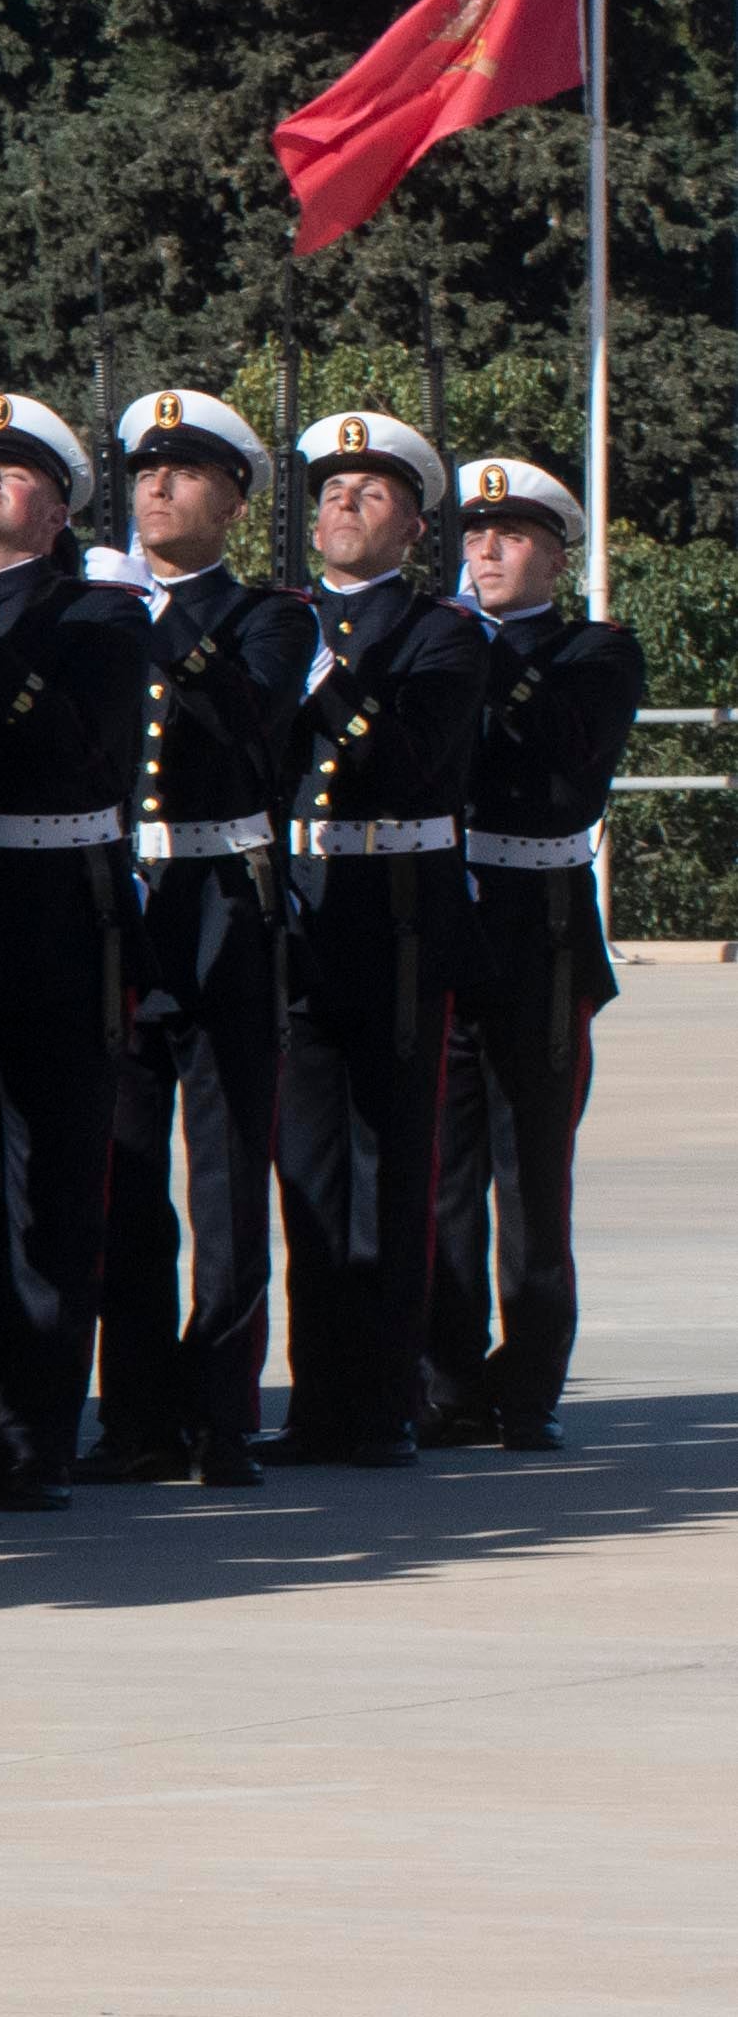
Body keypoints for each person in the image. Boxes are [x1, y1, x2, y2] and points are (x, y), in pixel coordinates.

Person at [0, 398, 145, 1510]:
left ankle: (37, 1433)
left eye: (12, 476)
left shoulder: (98, 617)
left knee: (49, 1195)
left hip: (58, 918)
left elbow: (73, 741)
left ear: (57, 514)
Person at [260, 411, 484, 1474]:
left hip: (396, 911)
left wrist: (321, 684)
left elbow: (410, 758)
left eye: (373, 494)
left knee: (390, 1169)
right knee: (304, 1172)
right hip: (304, 905)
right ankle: (318, 1398)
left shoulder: (444, 633)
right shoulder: (277, 621)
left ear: (413, 529)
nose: (345, 507)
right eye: (332, 492)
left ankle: (387, 1397)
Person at [89, 391, 298, 1486]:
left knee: (222, 1179)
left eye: (183, 474)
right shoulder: (97, 609)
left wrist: (143, 616)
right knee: (124, 1180)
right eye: (143, 473)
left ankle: (223, 1412)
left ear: (232, 503)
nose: (156, 490)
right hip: (127, 894)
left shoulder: (270, 616)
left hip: (223, 894)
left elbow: (251, 713)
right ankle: (135, 1418)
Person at [425, 452, 639, 1452]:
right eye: (473, 535)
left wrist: (474, 651)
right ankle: (447, 1379)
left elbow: (568, 753)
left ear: (556, 554)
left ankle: (529, 1382)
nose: (487, 551)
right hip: (448, 914)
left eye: (510, 537)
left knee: (532, 1173)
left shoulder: (592, 651)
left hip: (540, 925)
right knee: (442, 1173)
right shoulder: (443, 641)